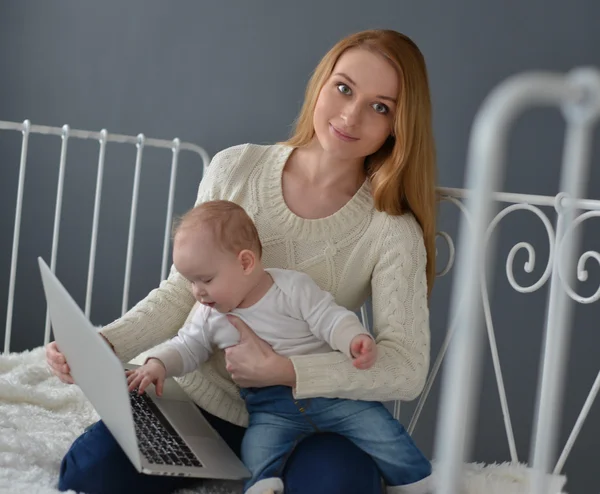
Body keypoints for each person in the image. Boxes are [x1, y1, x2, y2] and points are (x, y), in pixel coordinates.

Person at [47, 28, 437, 494]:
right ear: (321, 83)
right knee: (87, 473)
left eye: (380, 107)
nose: (351, 114)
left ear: (399, 123)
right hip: (202, 405)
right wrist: (101, 345)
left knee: (340, 486)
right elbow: (180, 294)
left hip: (310, 419)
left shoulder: (391, 229)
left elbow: (406, 366)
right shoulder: (235, 169)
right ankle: (216, 463)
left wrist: (287, 372)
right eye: (343, 88)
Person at [126, 200, 432, 494]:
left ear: (245, 262)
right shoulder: (210, 315)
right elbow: (187, 346)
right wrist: (159, 363)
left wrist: (353, 340)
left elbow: (329, 318)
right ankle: (262, 486)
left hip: (334, 397)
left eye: (205, 279)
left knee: (384, 434)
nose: (197, 292)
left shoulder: (291, 288)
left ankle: (416, 483)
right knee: (257, 449)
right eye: (190, 281)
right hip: (270, 410)